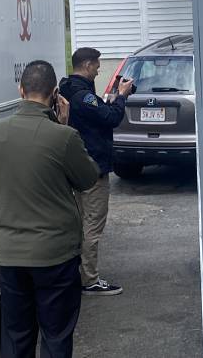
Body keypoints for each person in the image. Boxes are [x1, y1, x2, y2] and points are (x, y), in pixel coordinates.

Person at [0, 60, 99, 358]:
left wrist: (4, 220)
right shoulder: (63, 137)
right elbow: (88, 178)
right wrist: (64, 125)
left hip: (11, 254)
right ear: (55, 94)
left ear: (21, 90)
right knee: (56, 336)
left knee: (16, 337)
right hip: (56, 255)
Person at [59, 47, 134, 296]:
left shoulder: (68, 89)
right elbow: (110, 118)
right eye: (98, 65)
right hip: (93, 169)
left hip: (75, 167)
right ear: (88, 65)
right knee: (93, 225)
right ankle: (89, 280)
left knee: (79, 223)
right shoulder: (83, 96)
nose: (100, 69)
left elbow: (98, 113)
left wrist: (112, 98)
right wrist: (122, 96)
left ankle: (78, 274)